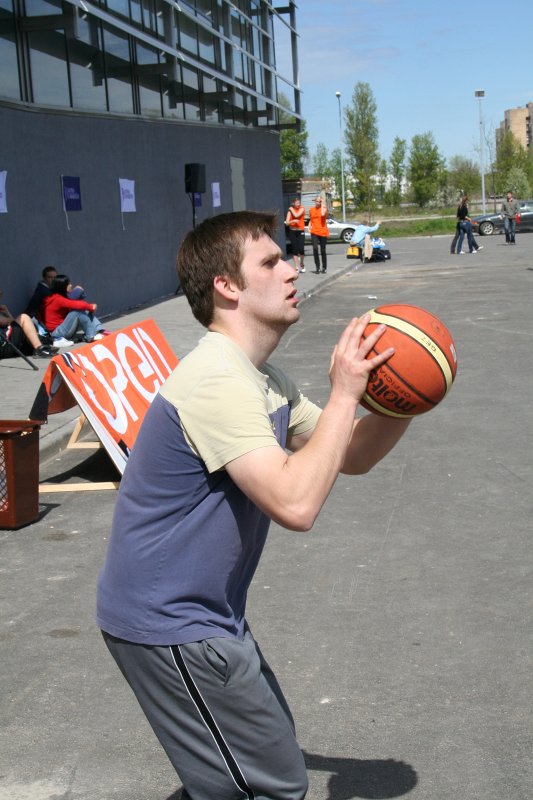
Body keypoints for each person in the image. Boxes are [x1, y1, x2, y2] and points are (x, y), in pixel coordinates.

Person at [96, 211, 411, 800]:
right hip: (169, 622)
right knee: (268, 784)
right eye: (270, 262)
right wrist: (346, 393)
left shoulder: (263, 378)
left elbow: (351, 453)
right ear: (227, 286)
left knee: (257, 764)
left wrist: (409, 398)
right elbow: (296, 502)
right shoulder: (217, 380)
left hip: (208, 616)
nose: (292, 269)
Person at [42, 274, 106, 345]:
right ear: (63, 286)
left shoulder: (59, 296)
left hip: (61, 330)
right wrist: (91, 307)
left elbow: (76, 303)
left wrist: (88, 307)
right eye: (68, 284)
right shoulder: (57, 299)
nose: (71, 285)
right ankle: (91, 335)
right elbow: (78, 305)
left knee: (83, 310)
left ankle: (99, 330)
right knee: (77, 312)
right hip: (57, 333)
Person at [0, 289, 58, 359]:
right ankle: (39, 349)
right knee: (24, 318)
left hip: (5, 345)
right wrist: (8, 316)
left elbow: (12, 324)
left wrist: (7, 313)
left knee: (26, 330)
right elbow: (6, 321)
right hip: (3, 346)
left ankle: (42, 346)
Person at [308, 196, 329, 273]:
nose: (318, 203)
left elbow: (323, 214)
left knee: (323, 250)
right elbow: (311, 219)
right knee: (315, 248)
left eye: (320, 201)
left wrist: (323, 203)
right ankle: (317, 267)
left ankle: (324, 267)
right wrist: (309, 226)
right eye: (317, 201)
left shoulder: (324, 209)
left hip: (323, 232)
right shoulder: (311, 209)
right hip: (314, 232)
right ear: (315, 201)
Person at [285, 198, 306, 273]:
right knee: (295, 250)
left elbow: (297, 215)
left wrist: (291, 209)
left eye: (299, 203)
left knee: (301, 249)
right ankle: (296, 267)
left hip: (300, 231)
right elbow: (287, 223)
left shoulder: (302, 208)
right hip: (292, 232)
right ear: (293, 203)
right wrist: (292, 221)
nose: (298, 204)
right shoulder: (290, 211)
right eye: (297, 203)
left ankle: (302, 263)